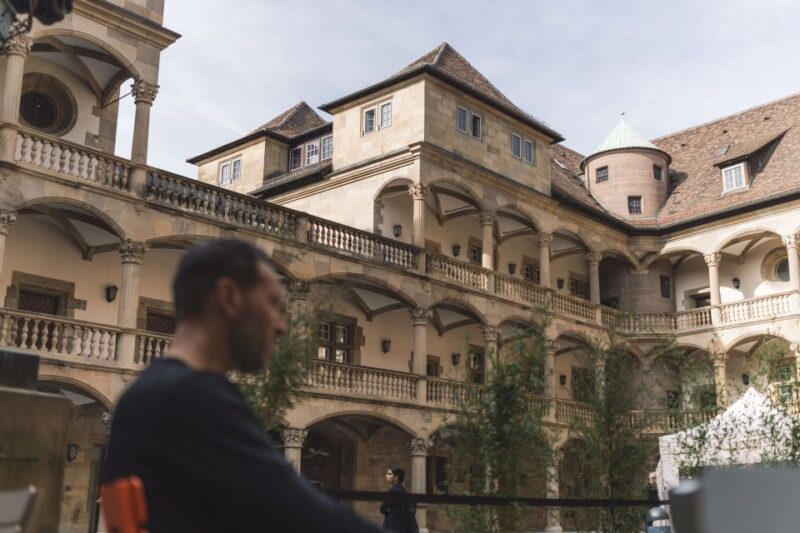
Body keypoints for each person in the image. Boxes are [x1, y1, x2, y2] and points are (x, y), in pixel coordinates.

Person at [101, 239, 381, 532]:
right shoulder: (193, 399)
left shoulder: (149, 393)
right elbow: (302, 514)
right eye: (272, 303)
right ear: (229, 296)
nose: (281, 325)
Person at [380, 467, 419, 533]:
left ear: (396, 477)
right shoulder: (403, 491)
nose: (386, 476)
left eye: (389, 474)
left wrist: (390, 511)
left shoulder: (393, 491)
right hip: (403, 527)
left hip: (393, 526)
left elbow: (383, 509)